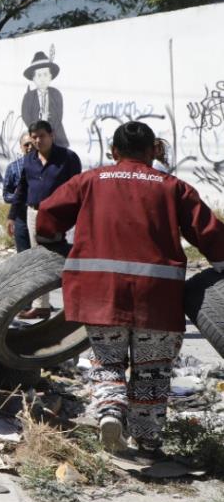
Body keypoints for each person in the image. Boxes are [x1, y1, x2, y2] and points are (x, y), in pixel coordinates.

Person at [36, 121, 224, 455]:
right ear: (154, 151)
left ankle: (110, 411)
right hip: (158, 299)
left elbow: (49, 213)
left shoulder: (90, 180)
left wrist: (52, 243)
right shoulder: (174, 187)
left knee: (107, 361)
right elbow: (209, 232)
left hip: (100, 295)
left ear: (114, 152)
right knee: (152, 371)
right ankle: (148, 441)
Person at [7, 120, 82, 319]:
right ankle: (41, 305)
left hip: (62, 215)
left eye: (42, 136)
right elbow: (22, 188)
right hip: (34, 213)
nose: (38, 140)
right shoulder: (29, 159)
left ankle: (74, 306)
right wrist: (12, 216)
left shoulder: (68, 158)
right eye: (34, 136)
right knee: (38, 260)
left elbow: (78, 187)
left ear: (52, 135)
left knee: (66, 259)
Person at [20, 51, 69, 147]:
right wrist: (41, 121)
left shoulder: (56, 94)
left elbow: (58, 118)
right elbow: (26, 118)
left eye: (46, 74)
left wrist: (48, 126)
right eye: (39, 75)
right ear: (33, 78)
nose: (42, 79)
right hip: (37, 142)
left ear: (51, 77)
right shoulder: (28, 98)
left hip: (57, 140)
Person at [2, 134, 35, 253]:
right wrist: (19, 197)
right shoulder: (12, 168)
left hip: (38, 215)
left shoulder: (43, 165)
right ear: (21, 147)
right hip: (20, 217)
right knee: (23, 254)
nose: (30, 147)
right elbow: (6, 195)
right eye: (26, 145)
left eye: (32, 144)